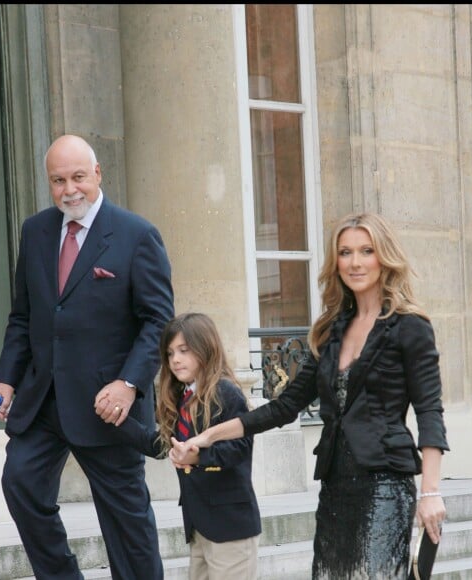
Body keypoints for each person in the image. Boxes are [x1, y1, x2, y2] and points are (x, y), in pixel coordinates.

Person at [172, 213, 449, 579]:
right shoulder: (330, 331)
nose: (355, 262)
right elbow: (284, 407)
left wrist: (430, 493)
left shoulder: (410, 327)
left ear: (384, 257)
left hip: (385, 483)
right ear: (336, 262)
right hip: (335, 486)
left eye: (366, 251)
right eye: (345, 252)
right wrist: (207, 437)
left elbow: (429, 411)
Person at [0, 134, 174, 580]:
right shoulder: (35, 232)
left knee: (128, 527)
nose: (69, 189)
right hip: (43, 401)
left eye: (78, 177)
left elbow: (159, 322)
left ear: (97, 175)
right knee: (20, 483)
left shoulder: (137, 235)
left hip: (108, 407)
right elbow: (23, 316)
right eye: (57, 180)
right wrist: (5, 379)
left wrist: (129, 384)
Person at [114, 312, 261, 580]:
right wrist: (118, 420)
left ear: (206, 348)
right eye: (170, 353)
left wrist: (197, 457)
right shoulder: (184, 396)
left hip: (230, 527)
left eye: (183, 350)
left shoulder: (226, 393)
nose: (175, 360)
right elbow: (162, 445)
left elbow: (240, 448)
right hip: (200, 526)